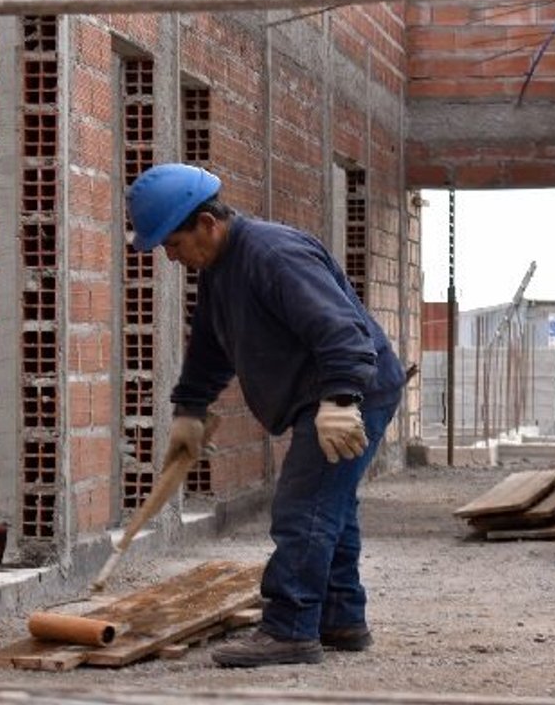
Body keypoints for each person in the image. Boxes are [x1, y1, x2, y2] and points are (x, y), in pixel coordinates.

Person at [126, 163, 406, 668]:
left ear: (207, 224)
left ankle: (289, 629)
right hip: (326, 390)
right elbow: (211, 346)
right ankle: (340, 617)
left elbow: (342, 331)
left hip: (352, 388)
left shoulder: (274, 255)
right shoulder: (220, 269)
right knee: (330, 507)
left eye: (173, 243)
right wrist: (190, 409)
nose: (171, 256)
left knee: (304, 507)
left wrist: (341, 400)